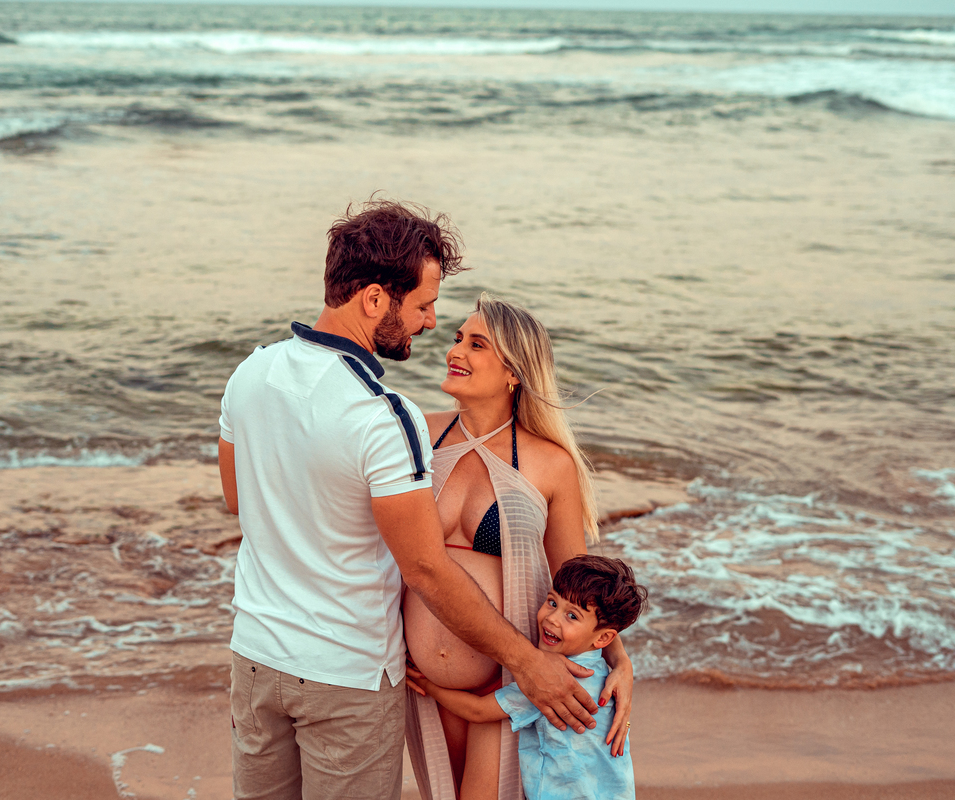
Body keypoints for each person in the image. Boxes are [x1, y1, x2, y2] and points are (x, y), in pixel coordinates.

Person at [217, 200, 601, 800]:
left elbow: (241, 499)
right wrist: (527, 662)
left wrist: (616, 661)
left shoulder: (251, 372)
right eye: (425, 308)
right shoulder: (388, 418)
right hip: (347, 670)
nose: (428, 326)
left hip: (258, 655)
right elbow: (423, 565)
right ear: (374, 299)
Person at [403, 295, 635, 800]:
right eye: (458, 338)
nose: (455, 350)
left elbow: (579, 580)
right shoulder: (417, 433)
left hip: (508, 681)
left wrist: (620, 661)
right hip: (418, 682)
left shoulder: (549, 464)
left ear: (514, 371)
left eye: (476, 343)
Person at [409, 555, 648, 800]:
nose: (552, 618)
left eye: (572, 616)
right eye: (552, 602)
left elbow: (478, 711)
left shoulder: (558, 679)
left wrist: (426, 683)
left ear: (603, 639)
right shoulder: (602, 674)